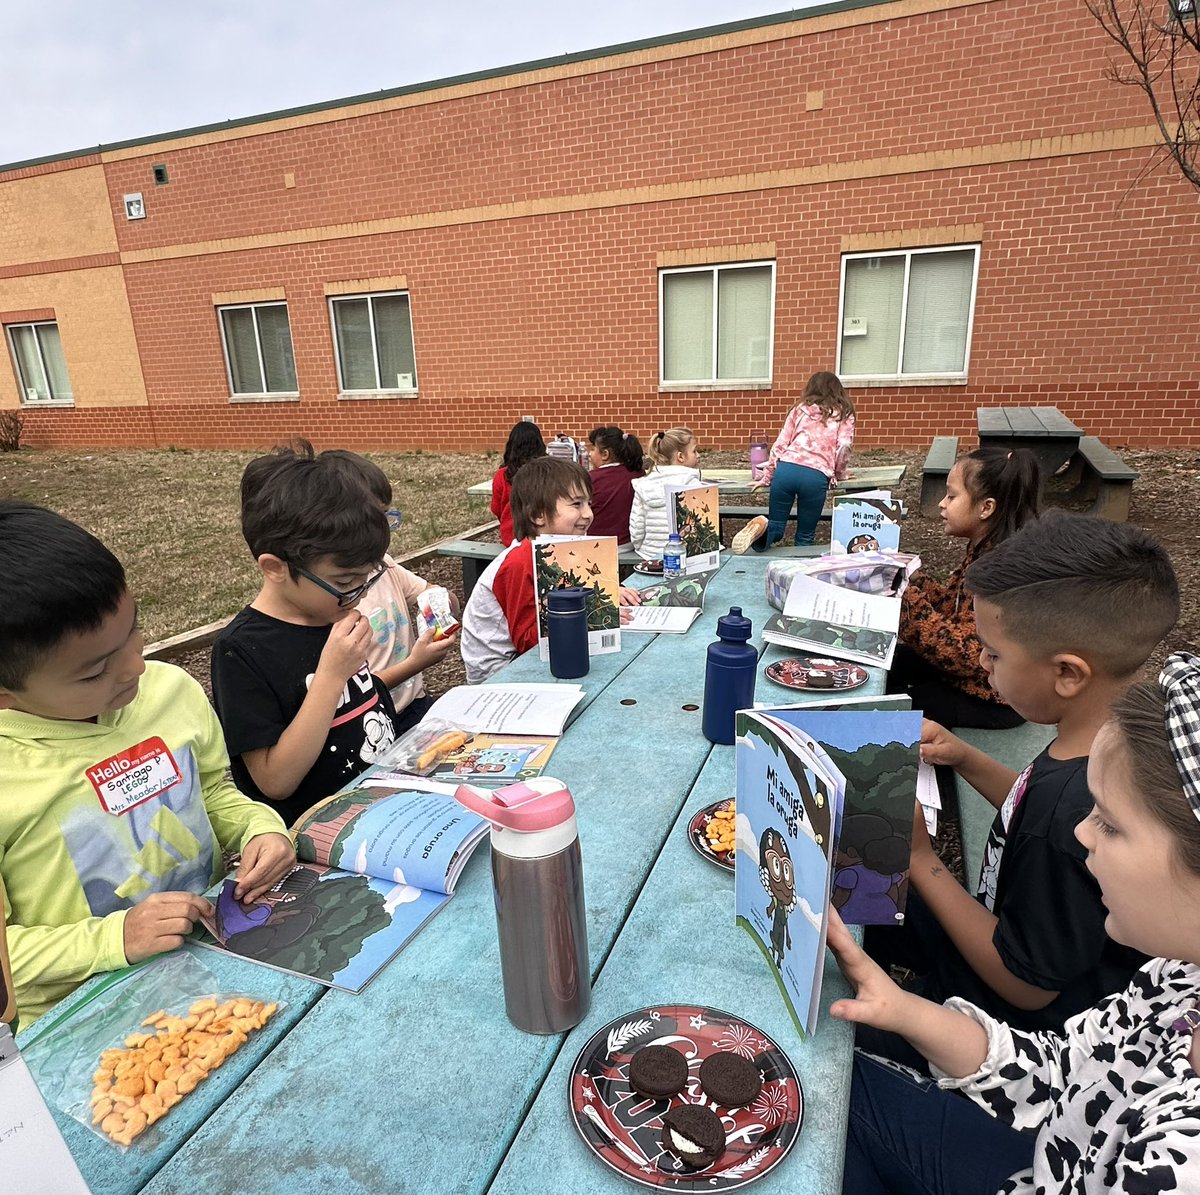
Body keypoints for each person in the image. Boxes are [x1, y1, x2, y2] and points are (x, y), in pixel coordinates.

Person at [832, 655, 1200, 1195]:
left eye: (1110, 825)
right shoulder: (1176, 977)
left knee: (834, 1104)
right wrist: (905, 1010)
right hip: (1055, 1148)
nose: (1080, 834)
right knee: (838, 1078)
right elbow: (1064, 1069)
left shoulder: (1181, 1161)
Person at [861, 512, 1179, 1070]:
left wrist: (922, 860)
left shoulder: (1072, 813)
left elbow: (1027, 986)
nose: (981, 663)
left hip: (1007, 1024)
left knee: (845, 1044)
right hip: (1002, 925)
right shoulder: (1106, 745)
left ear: (1068, 674)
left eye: (994, 653)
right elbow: (1031, 803)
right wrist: (965, 758)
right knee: (855, 898)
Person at [0, 503, 294, 1023]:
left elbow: (212, 796)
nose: (137, 666)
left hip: (219, 957)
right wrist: (117, 937)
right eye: (94, 673)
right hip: (82, 1017)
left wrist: (258, 830)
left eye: (134, 632)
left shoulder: (169, 693)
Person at [211, 451, 399, 827]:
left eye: (367, 578)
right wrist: (331, 676)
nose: (359, 594)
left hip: (383, 802)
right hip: (319, 836)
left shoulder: (330, 614)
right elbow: (274, 780)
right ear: (275, 568)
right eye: (345, 582)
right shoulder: (242, 651)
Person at [888, 446, 1042, 729]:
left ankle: (932, 769)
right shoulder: (985, 549)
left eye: (952, 495)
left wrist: (906, 603)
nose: (942, 504)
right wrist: (911, 578)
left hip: (996, 698)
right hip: (976, 679)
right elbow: (953, 606)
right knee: (893, 662)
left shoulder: (1002, 569)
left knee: (909, 701)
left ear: (986, 508)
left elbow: (963, 655)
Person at [460, 457, 640, 683]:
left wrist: (610, 592)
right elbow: (528, 643)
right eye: (576, 504)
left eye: (589, 503)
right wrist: (590, 613)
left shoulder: (562, 548)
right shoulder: (517, 563)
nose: (588, 514)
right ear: (537, 515)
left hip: (544, 653)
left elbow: (575, 588)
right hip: (501, 673)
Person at [318, 448, 458, 729]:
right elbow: (348, 693)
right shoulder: (333, 598)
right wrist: (415, 663)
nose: (383, 530)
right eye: (373, 519)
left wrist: (441, 605)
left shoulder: (385, 566)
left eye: (386, 516)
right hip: (370, 721)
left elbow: (434, 593)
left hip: (414, 705)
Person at [732, 371, 856, 552]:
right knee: (805, 536)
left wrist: (767, 477)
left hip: (785, 471)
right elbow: (844, 446)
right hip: (815, 476)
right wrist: (839, 474)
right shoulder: (844, 414)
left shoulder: (799, 409)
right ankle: (799, 576)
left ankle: (764, 530)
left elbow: (780, 445)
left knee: (776, 525)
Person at [629, 427, 701, 566]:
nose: (698, 455)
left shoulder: (643, 484)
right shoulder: (692, 483)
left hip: (650, 555)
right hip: (685, 556)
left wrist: (641, 548)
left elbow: (637, 527)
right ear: (680, 456)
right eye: (694, 451)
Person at [491, 421, 546, 546]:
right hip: (543, 535)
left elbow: (496, 509)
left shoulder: (502, 475)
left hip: (511, 537)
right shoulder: (546, 473)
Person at [586, 425, 645, 543]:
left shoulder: (591, 478)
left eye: (592, 449)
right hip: (631, 543)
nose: (589, 454)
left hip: (598, 545)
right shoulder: (639, 474)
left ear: (605, 454)